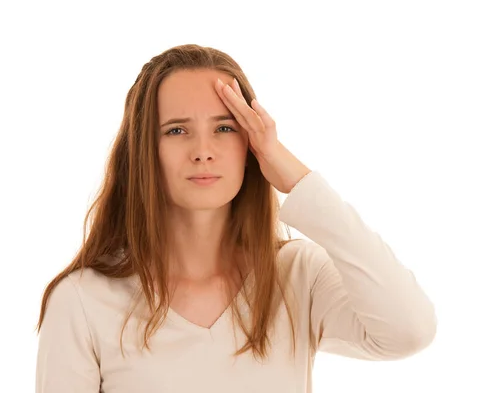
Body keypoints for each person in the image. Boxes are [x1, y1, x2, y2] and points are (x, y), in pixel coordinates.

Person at [35, 44, 437, 393]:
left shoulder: (298, 276)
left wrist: (295, 178)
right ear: (143, 151)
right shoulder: (82, 301)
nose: (203, 151)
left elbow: (409, 331)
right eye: (176, 131)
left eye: (225, 127)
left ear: (251, 143)